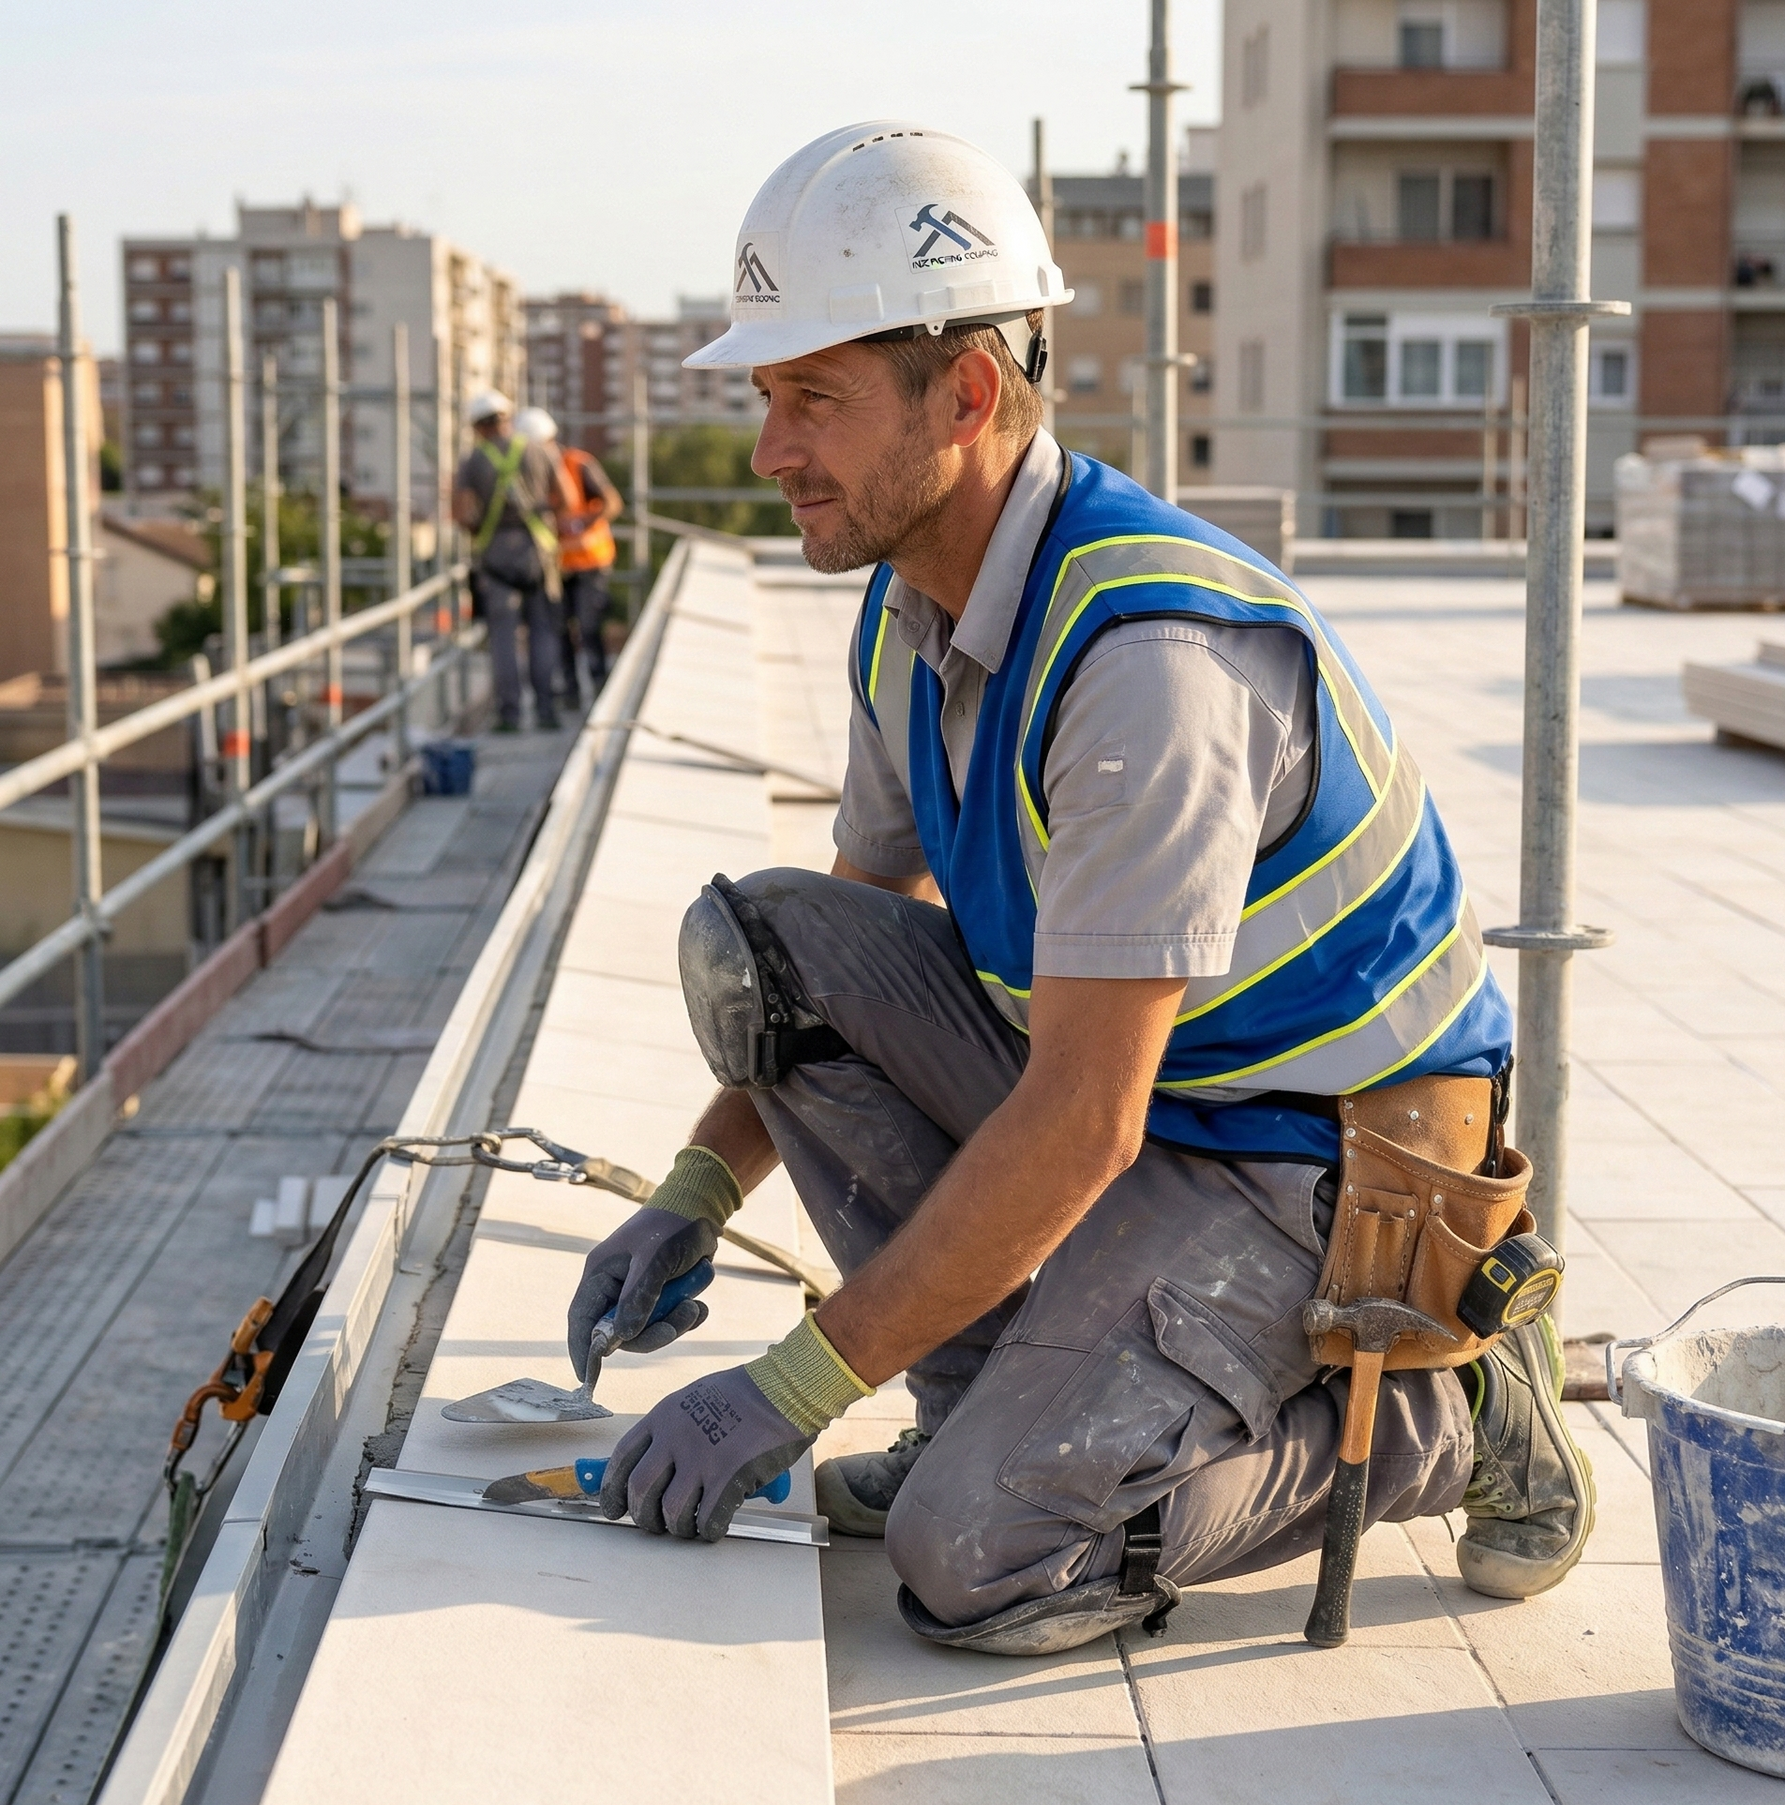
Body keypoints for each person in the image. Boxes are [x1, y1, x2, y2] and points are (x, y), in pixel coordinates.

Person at [564, 122, 1595, 1653]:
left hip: (1318, 1164)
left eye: (813, 399)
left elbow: (1081, 1120)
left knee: (974, 1560)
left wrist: (788, 1387)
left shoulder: (1146, 666)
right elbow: (841, 964)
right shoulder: (912, 613)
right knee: (760, 944)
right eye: (768, 398)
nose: (772, 450)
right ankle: (997, 1399)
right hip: (1166, 1100)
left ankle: (1448, 1416)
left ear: (967, 392)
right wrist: (696, 1187)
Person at [453, 390, 568, 732]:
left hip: (497, 557)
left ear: (477, 426)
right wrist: (541, 514)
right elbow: (565, 498)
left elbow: (459, 511)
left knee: (503, 638)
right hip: (537, 553)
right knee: (542, 633)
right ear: (507, 417)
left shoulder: (473, 460)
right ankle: (546, 710)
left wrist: (479, 526)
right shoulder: (538, 450)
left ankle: (510, 714)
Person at [514, 406, 623, 710]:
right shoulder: (531, 472)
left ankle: (600, 682)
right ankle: (571, 689)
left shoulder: (578, 463)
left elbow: (612, 502)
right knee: (560, 627)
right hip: (556, 566)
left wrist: (581, 524)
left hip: (590, 561)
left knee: (589, 624)